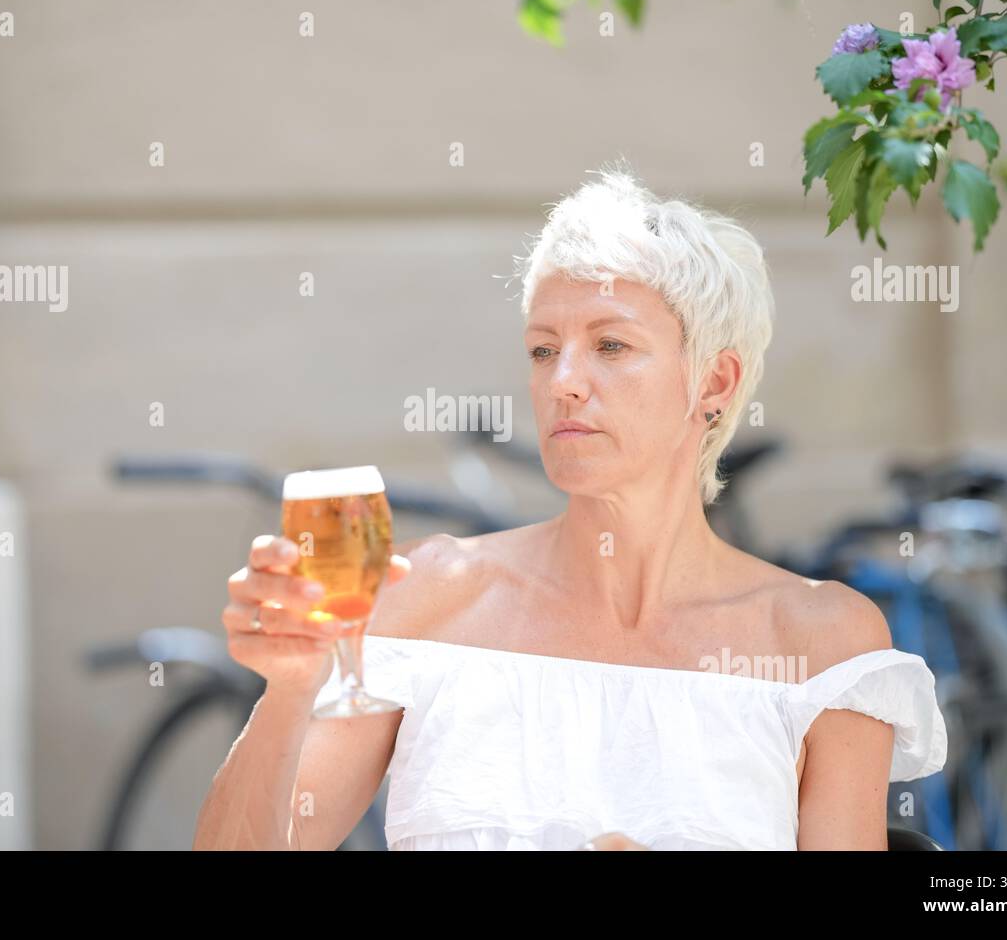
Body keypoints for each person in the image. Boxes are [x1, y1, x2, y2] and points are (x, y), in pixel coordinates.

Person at [193, 163, 948, 851]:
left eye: (611, 346)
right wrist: (292, 689)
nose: (564, 382)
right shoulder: (427, 601)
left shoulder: (824, 644)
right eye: (544, 349)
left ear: (714, 384)